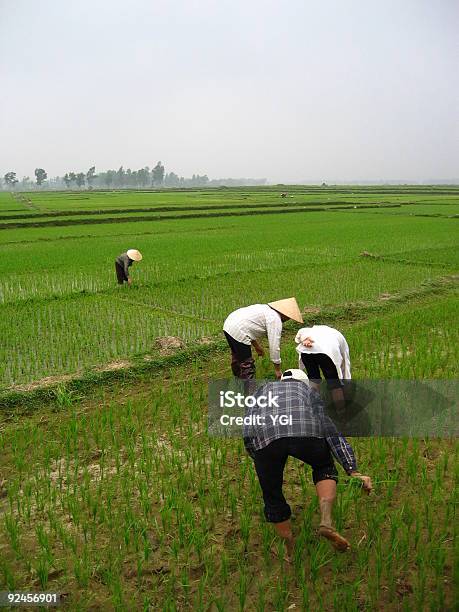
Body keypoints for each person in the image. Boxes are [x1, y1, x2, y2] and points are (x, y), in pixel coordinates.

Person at [243, 369, 372, 558]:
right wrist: (352, 470)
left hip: (266, 437)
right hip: (306, 431)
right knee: (324, 466)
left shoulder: (262, 391)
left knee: (272, 494)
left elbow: (248, 425)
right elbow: (330, 430)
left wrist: (257, 456)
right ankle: (326, 521)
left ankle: (289, 550)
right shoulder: (309, 393)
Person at [223, 298, 303, 380]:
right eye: (289, 317)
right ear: (285, 314)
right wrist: (277, 369)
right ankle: (249, 391)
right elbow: (274, 346)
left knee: (237, 356)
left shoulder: (264, 308)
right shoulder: (275, 319)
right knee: (246, 364)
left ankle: (237, 381)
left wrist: (256, 346)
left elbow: (248, 326)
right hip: (238, 330)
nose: (288, 320)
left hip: (228, 324)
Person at [295, 325, 351, 410]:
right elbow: (345, 365)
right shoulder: (339, 337)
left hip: (306, 351)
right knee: (335, 384)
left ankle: (314, 410)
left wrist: (306, 339)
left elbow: (300, 333)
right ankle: (341, 413)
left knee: (313, 379)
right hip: (325, 353)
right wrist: (346, 384)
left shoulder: (310, 331)